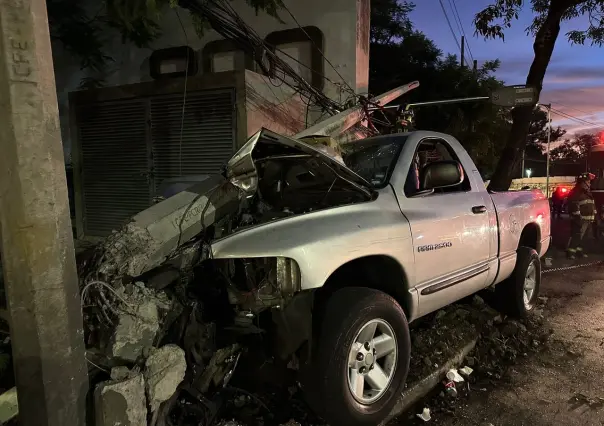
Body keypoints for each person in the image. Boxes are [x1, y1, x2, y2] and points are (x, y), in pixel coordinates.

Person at [566, 173, 596, 259]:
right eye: (588, 182)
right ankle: (570, 252)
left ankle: (579, 251)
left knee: (583, 237)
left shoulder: (587, 192)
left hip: (587, 219)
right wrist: (577, 217)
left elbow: (591, 205)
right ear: (583, 182)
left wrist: (593, 216)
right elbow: (573, 205)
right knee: (576, 235)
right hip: (579, 219)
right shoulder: (576, 192)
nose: (589, 184)